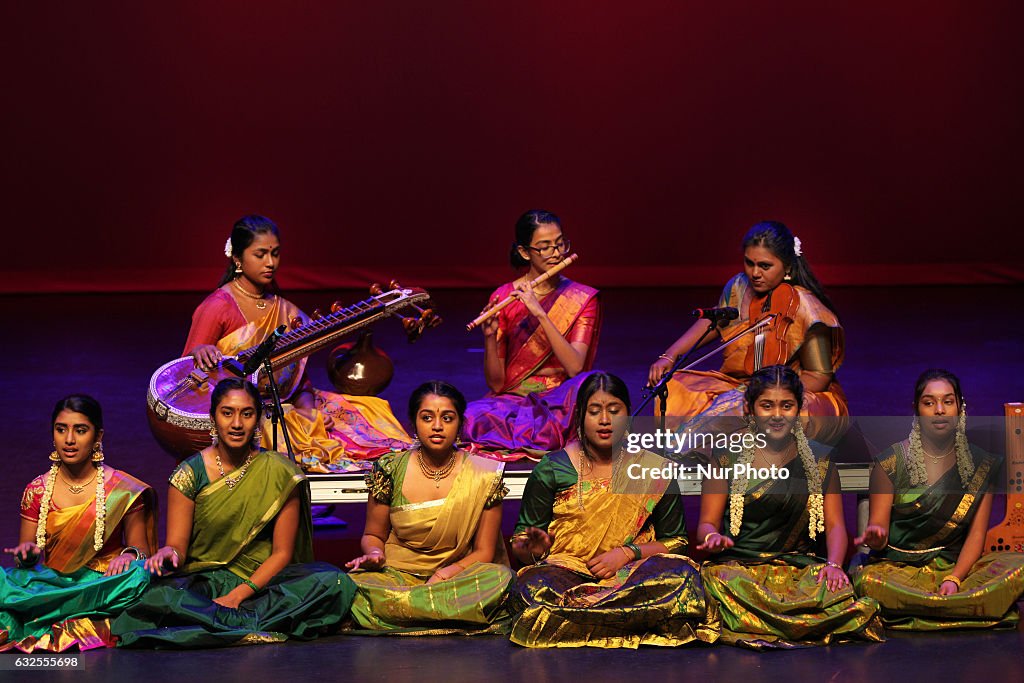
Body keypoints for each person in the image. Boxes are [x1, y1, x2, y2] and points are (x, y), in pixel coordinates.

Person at [112, 378, 355, 647]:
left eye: (247, 414)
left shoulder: (280, 471)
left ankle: (216, 623)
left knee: (334, 582)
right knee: (156, 597)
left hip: (264, 583)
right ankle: (243, 622)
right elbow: (177, 547)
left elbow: (282, 554)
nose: (237, 424)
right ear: (213, 418)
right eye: (227, 413)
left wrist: (239, 595)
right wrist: (170, 553)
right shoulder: (189, 474)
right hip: (207, 582)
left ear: (258, 419)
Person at [183, 214, 411, 470]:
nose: (271, 263)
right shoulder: (218, 307)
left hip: (288, 404)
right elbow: (182, 377)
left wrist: (308, 412)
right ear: (237, 258)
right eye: (260, 255)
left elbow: (299, 380)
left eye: (275, 254)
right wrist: (199, 351)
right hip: (246, 415)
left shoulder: (287, 311)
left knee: (370, 409)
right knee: (283, 431)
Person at [509, 372, 718, 648]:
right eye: (594, 411)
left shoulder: (655, 469)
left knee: (682, 579)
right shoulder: (552, 468)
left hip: (632, 574)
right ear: (580, 417)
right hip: (568, 573)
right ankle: (630, 619)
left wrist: (626, 553)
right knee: (532, 589)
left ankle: (580, 622)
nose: (605, 420)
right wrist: (533, 548)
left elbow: (677, 542)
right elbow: (523, 548)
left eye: (614, 411)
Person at [696, 366, 882, 649]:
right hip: (741, 571)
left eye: (786, 405)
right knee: (716, 583)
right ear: (750, 408)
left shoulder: (819, 459)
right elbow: (706, 523)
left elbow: (834, 526)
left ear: (799, 408)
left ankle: (763, 622)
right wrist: (711, 537)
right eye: (767, 406)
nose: (777, 415)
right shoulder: (724, 457)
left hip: (797, 569)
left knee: (837, 591)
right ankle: (792, 624)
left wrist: (833, 565)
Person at [853, 369, 1024, 629]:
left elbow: (977, 536)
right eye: (929, 402)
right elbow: (880, 530)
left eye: (948, 401)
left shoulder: (982, 465)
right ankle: (967, 609)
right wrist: (876, 535)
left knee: (1019, 565)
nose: (940, 410)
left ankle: (932, 606)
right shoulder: (890, 462)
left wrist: (954, 579)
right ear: (916, 409)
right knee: (870, 583)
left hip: (957, 568)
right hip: (900, 571)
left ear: (960, 406)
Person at [345, 381, 516, 633]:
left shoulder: (483, 474)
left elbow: (484, 551)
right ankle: (440, 611)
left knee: (501, 579)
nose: (437, 426)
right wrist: (373, 554)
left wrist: (444, 575)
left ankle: (402, 612)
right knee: (351, 587)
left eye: (447, 418)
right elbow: (373, 535)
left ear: (460, 424)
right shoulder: (390, 468)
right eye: (427, 418)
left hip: (457, 577)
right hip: (398, 574)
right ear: (414, 423)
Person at [647, 221, 845, 438]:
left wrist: (769, 394)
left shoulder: (807, 307)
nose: (755, 273)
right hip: (743, 385)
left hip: (793, 392)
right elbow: (717, 319)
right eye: (749, 263)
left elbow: (819, 376)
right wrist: (670, 355)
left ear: (788, 266)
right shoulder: (739, 286)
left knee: (792, 415)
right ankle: (698, 452)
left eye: (765, 266)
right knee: (674, 388)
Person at [1, 395, 156, 652]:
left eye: (80, 430)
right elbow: (25, 560)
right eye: (61, 430)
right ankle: (64, 606)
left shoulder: (123, 489)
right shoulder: (37, 490)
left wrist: (128, 556)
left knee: (137, 576)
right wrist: (27, 555)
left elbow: (143, 552)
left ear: (98, 437)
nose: (69, 440)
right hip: (54, 584)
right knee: (7, 580)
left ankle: (56, 610)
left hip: (104, 584)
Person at [463, 210, 601, 458]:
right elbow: (496, 384)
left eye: (560, 244)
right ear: (525, 252)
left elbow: (575, 368)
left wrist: (540, 314)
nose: (557, 253)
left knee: (572, 416)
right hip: (515, 398)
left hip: (561, 398)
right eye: (545, 247)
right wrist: (489, 338)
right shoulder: (503, 297)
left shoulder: (583, 298)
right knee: (470, 417)